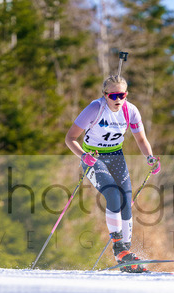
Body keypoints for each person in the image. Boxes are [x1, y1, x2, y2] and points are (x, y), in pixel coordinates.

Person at [65, 75, 160, 273]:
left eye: (122, 95)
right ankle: (118, 246)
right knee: (113, 194)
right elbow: (70, 138)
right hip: (94, 157)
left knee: (126, 199)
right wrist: (83, 156)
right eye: (113, 96)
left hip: (116, 156)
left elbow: (141, 140)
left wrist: (150, 158)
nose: (118, 100)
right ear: (105, 95)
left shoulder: (130, 111)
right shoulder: (95, 108)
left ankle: (125, 253)